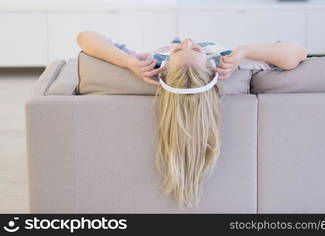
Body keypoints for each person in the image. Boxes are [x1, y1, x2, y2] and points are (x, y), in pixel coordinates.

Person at [76, 30, 308, 207]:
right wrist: (243, 52)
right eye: (196, 50)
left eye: (179, 50)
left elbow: (85, 37)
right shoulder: (226, 63)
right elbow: (297, 52)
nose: (188, 40)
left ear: (164, 67)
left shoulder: (150, 62)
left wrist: (128, 62)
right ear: (212, 68)